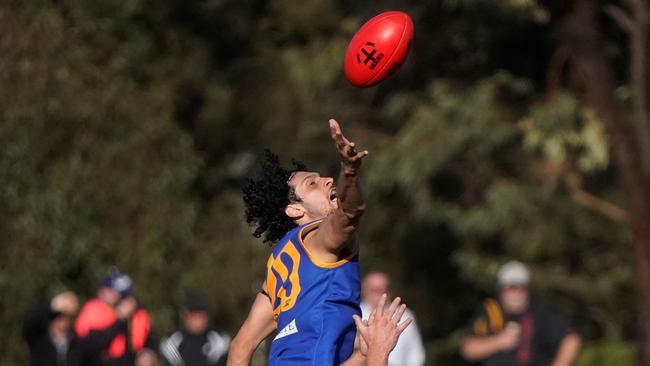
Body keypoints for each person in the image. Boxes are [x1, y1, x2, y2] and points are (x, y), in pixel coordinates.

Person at [227, 119, 372, 366]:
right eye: (312, 183)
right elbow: (350, 213)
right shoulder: (319, 240)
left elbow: (241, 346)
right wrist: (349, 170)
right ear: (294, 210)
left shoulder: (279, 265)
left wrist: (362, 356)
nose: (327, 179)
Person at [460, 261, 582, 366]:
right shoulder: (491, 311)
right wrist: (498, 342)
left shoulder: (539, 312)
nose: (515, 294)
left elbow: (571, 340)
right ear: (501, 290)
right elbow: (468, 349)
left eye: (520, 288)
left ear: (527, 290)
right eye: (510, 289)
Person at [75, 269, 158, 366]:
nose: (121, 299)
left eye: (125, 295)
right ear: (103, 291)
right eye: (118, 294)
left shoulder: (135, 314)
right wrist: (120, 319)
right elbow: (91, 345)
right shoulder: (93, 310)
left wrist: (149, 353)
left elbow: (149, 340)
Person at [360, 272, 425, 366]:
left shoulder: (404, 315)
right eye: (374, 289)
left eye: (382, 289)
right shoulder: (356, 314)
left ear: (389, 291)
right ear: (365, 291)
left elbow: (415, 350)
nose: (378, 293)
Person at [160, 292, 230, 366]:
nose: (200, 320)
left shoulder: (220, 340)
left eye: (203, 315)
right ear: (185, 316)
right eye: (196, 315)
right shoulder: (171, 342)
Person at [22, 290, 83, 366]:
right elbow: (29, 320)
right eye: (59, 316)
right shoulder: (39, 338)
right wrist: (53, 304)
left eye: (67, 316)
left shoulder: (75, 341)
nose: (63, 321)